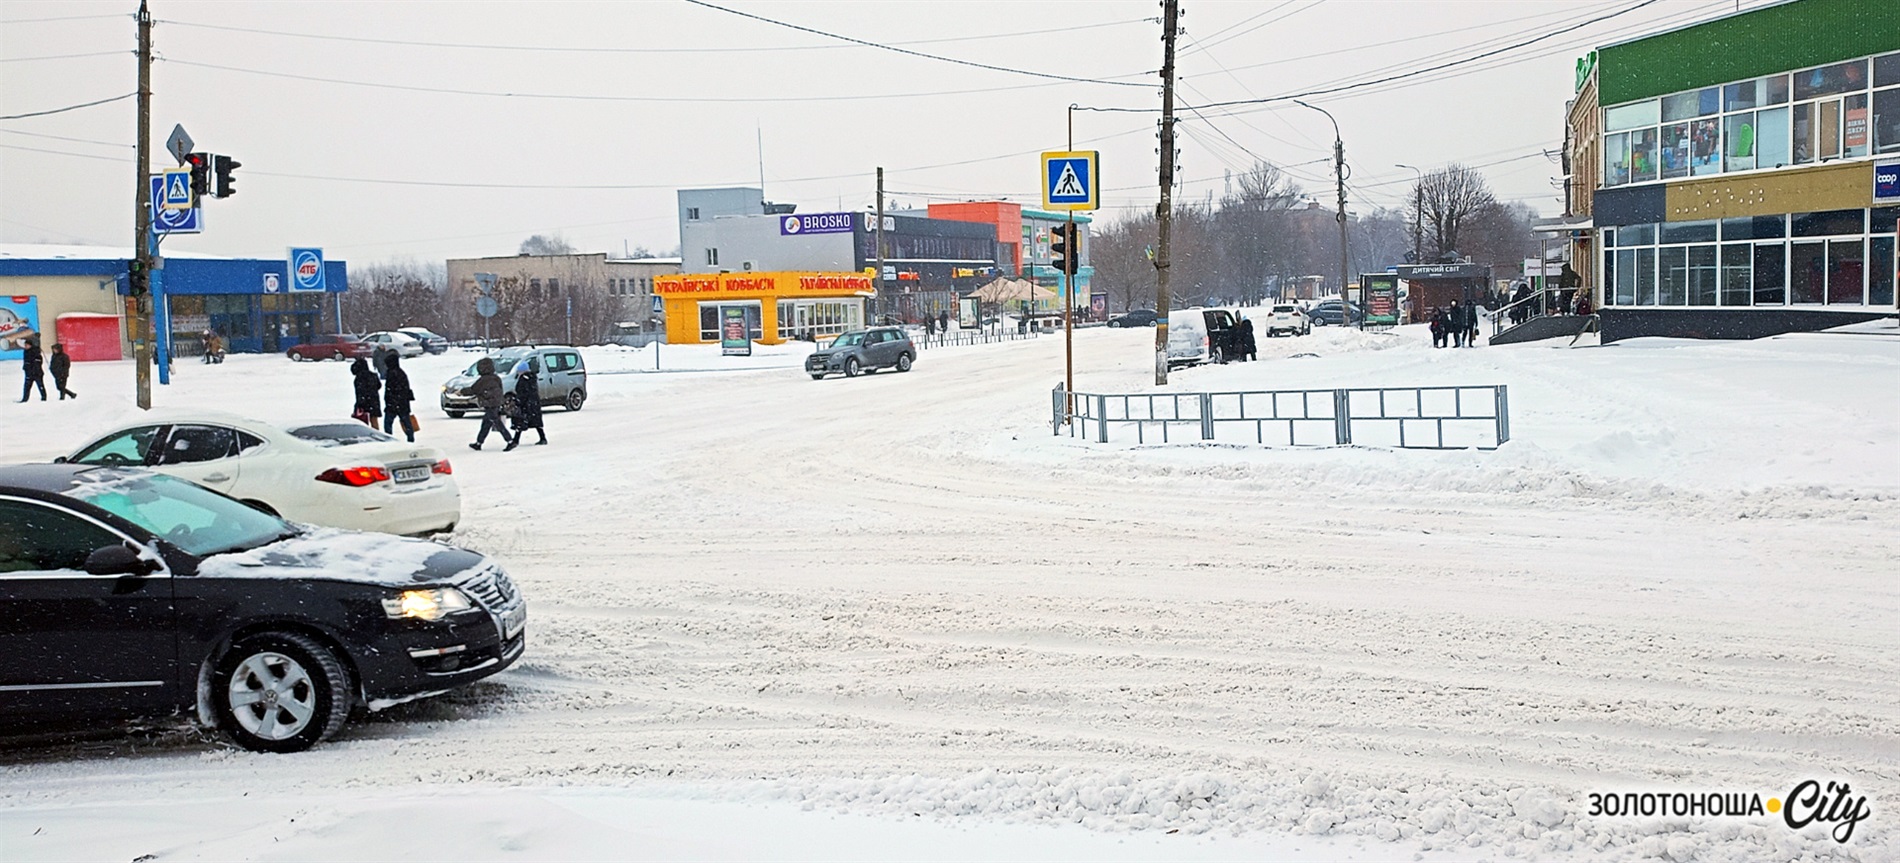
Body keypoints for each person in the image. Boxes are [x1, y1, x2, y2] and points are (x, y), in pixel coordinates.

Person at [468, 356, 514, 451]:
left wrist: (460, 392)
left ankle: (510, 441)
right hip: (495, 403)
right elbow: (500, 390)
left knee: (497, 423)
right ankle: (479, 442)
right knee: (486, 424)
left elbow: (473, 389)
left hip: (489, 404)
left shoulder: (483, 380)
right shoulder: (496, 378)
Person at [508, 357, 546, 448]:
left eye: (519, 371)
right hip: (534, 403)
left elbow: (522, 392)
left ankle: (515, 440)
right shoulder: (532, 378)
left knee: (520, 422)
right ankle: (543, 438)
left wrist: (518, 401)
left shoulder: (523, 379)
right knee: (536, 422)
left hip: (526, 404)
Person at [382, 353, 416, 443]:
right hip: (402, 403)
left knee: (388, 424)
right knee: (406, 423)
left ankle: (389, 440)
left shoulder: (391, 373)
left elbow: (391, 389)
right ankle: (410, 439)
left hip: (393, 403)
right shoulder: (401, 373)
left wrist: (390, 401)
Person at [350, 358, 382, 427]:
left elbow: (360, 391)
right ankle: (376, 434)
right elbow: (379, 386)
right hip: (374, 401)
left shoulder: (359, 378)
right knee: (374, 420)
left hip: (363, 402)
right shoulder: (373, 376)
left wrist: (360, 403)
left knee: (362, 422)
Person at [18, 337, 46, 402]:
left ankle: (44, 397)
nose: (25, 346)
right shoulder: (26, 352)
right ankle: (25, 399)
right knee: (26, 387)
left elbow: (38, 361)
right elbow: (26, 361)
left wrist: (34, 368)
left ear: (30, 345)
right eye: (25, 345)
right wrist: (25, 367)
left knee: (40, 385)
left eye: (26, 345)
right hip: (28, 372)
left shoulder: (35, 351)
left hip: (37, 373)